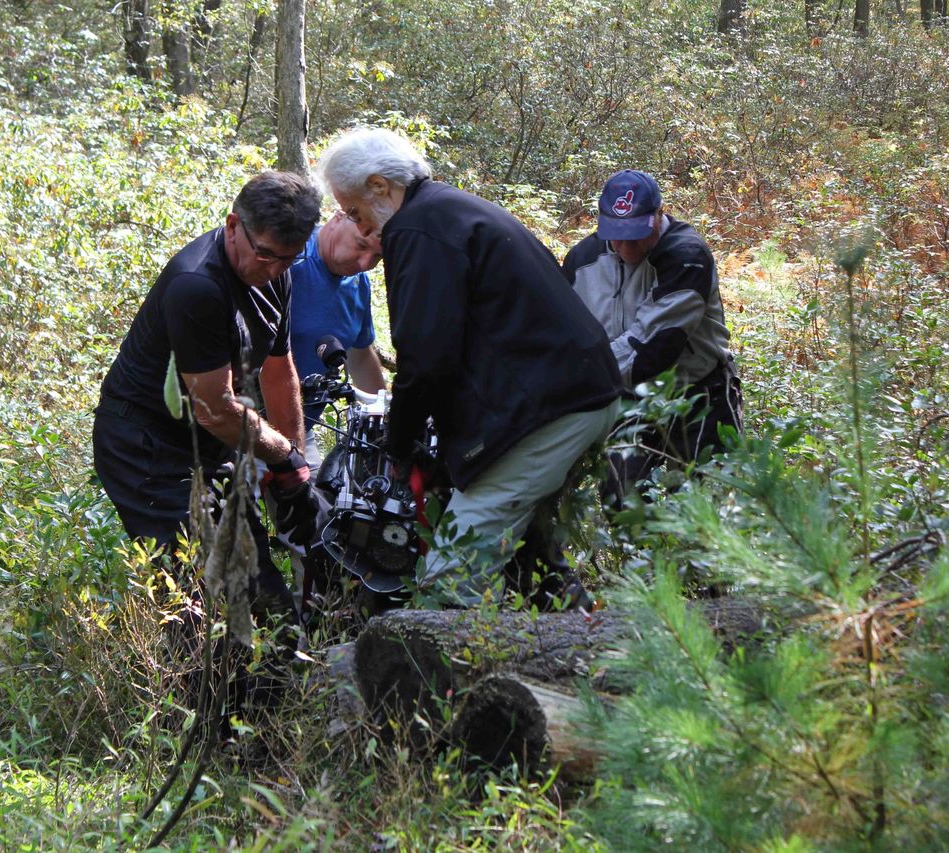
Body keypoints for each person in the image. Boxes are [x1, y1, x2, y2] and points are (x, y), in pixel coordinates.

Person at [317, 128, 624, 607]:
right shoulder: (450, 209)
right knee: (529, 554)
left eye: (354, 210)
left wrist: (400, 446)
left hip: (547, 410)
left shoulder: (416, 228)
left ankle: (446, 671)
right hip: (579, 395)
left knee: (451, 574)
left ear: (379, 186)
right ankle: (585, 652)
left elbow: (425, 355)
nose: (359, 227)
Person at [92, 170, 322, 622]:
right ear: (233, 225)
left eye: (289, 260)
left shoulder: (276, 268)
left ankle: (267, 683)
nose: (274, 270)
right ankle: (198, 687)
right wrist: (281, 456)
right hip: (147, 449)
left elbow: (279, 371)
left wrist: (296, 467)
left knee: (262, 594)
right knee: (205, 598)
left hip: (210, 442)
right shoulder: (197, 285)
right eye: (267, 256)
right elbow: (215, 408)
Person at [561, 169, 743, 504]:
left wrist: (575, 376)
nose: (626, 246)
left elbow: (650, 350)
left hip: (698, 395)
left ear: (659, 215)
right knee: (622, 503)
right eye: (617, 234)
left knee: (699, 509)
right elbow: (561, 333)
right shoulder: (582, 261)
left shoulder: (687, 257)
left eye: (636, 234)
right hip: (626, 401)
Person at [288, 212, 386, 469]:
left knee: (319, 505)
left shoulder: (358, 283)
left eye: (377, 256)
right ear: (339, 217)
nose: (366, 263)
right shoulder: (290, 257)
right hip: (249, 422)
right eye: (361, 245)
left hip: (301, 427)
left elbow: (360, 355)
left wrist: (384, 418)